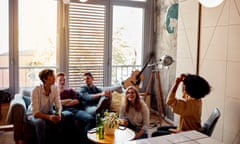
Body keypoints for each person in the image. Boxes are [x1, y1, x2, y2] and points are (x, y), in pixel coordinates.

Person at [27, 69, 63, 144]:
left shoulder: (55, 88)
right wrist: (49, 117)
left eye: (54, 75)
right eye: (51, 76)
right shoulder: (36, 90)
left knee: (62, 117)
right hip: (33, 114)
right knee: (40, 122)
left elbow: (57, 104)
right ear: (44, 79)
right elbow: (35, 113)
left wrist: (57, 114)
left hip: (48, 112)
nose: (54, 78)